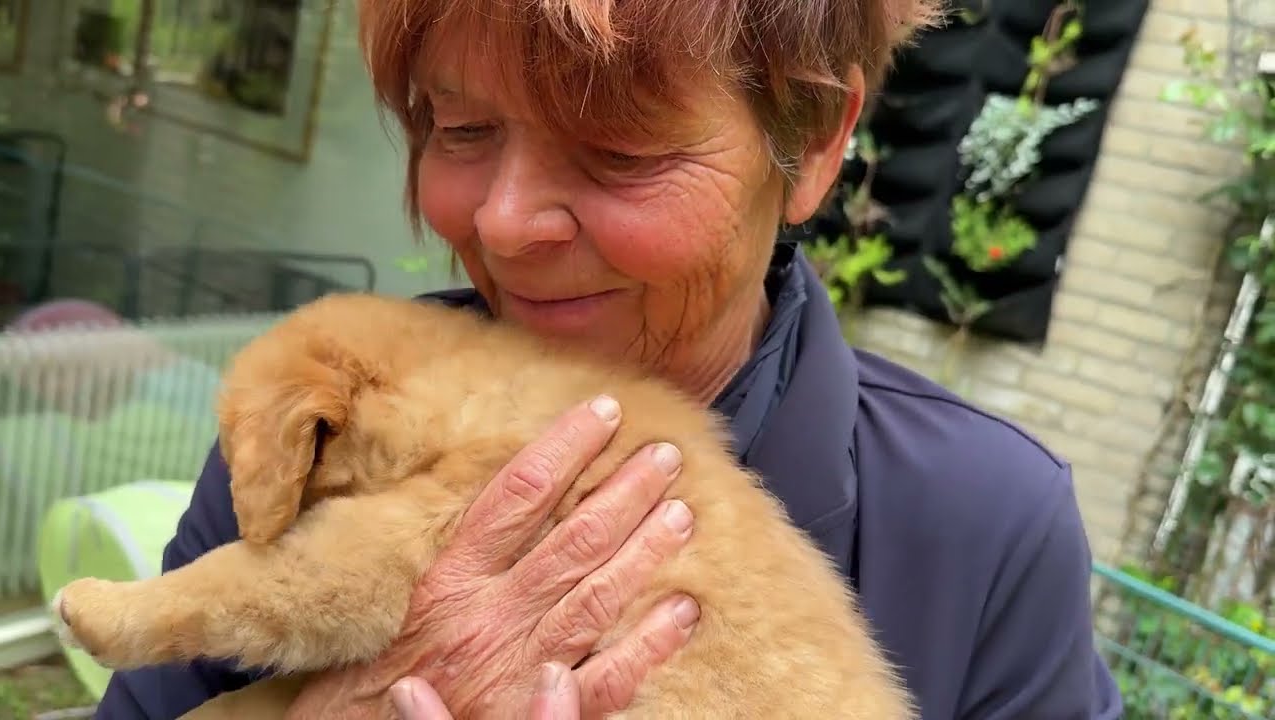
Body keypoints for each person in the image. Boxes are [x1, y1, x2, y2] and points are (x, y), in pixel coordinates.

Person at [93, 0, 1125, 717]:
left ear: (812, 145)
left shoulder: (981, 524)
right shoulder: (324, 419)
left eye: (620, 151)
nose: (502, 223)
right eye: (460, 129)